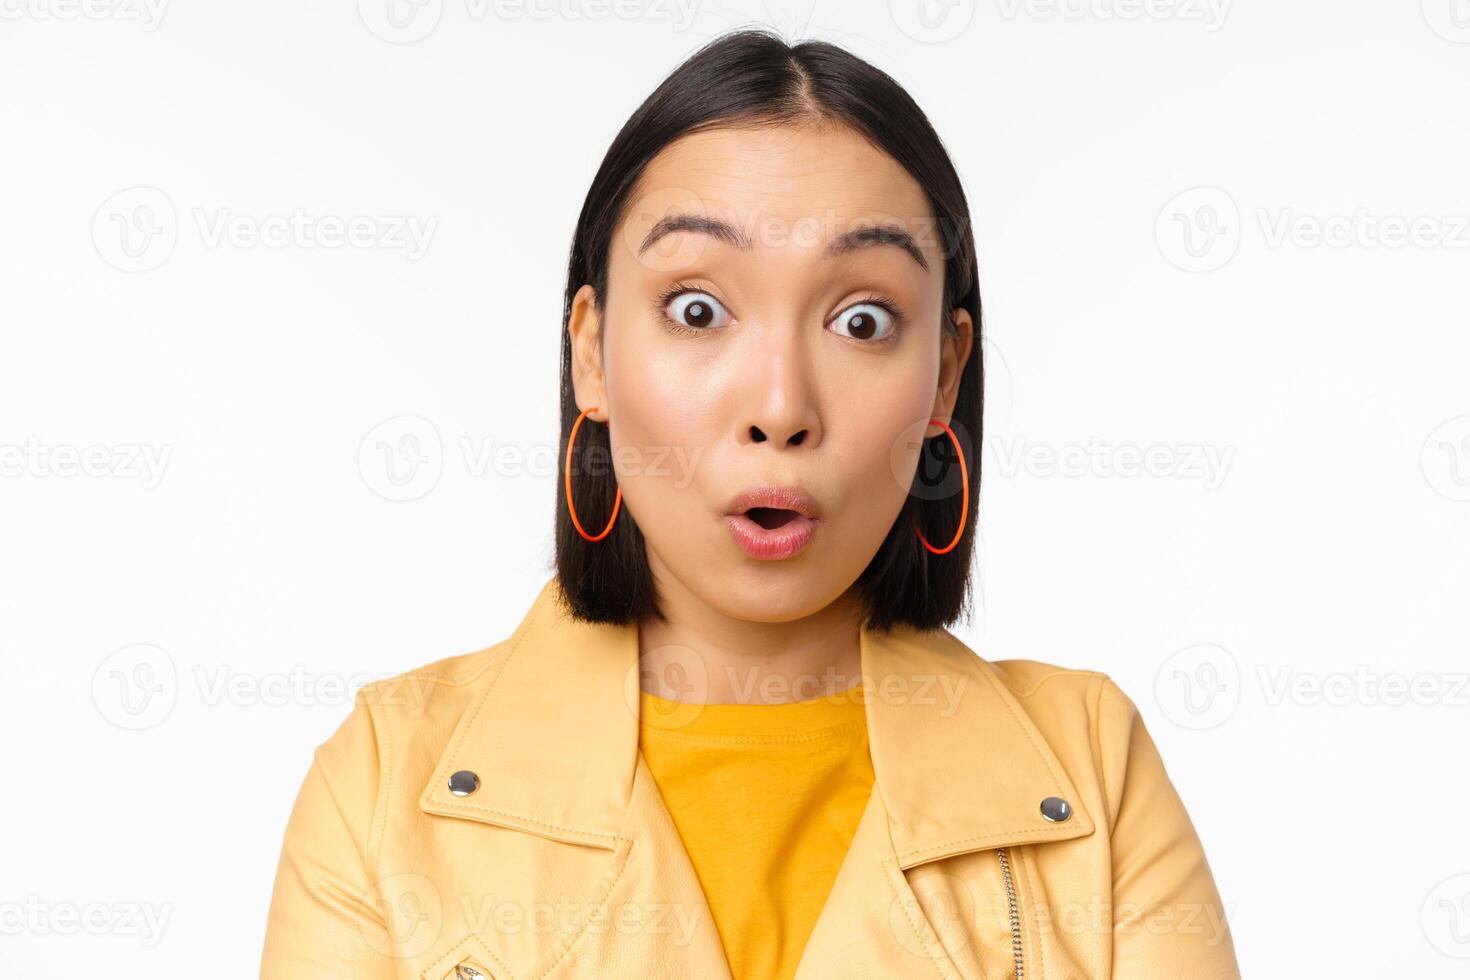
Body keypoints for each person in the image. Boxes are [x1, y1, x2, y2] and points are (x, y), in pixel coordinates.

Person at [260, 28, 1240, 979]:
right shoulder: (386, 784)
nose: (780, 405)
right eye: (698, 309)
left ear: (945, 376)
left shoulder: (1090, 772)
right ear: (591, 352)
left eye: (863, 319)